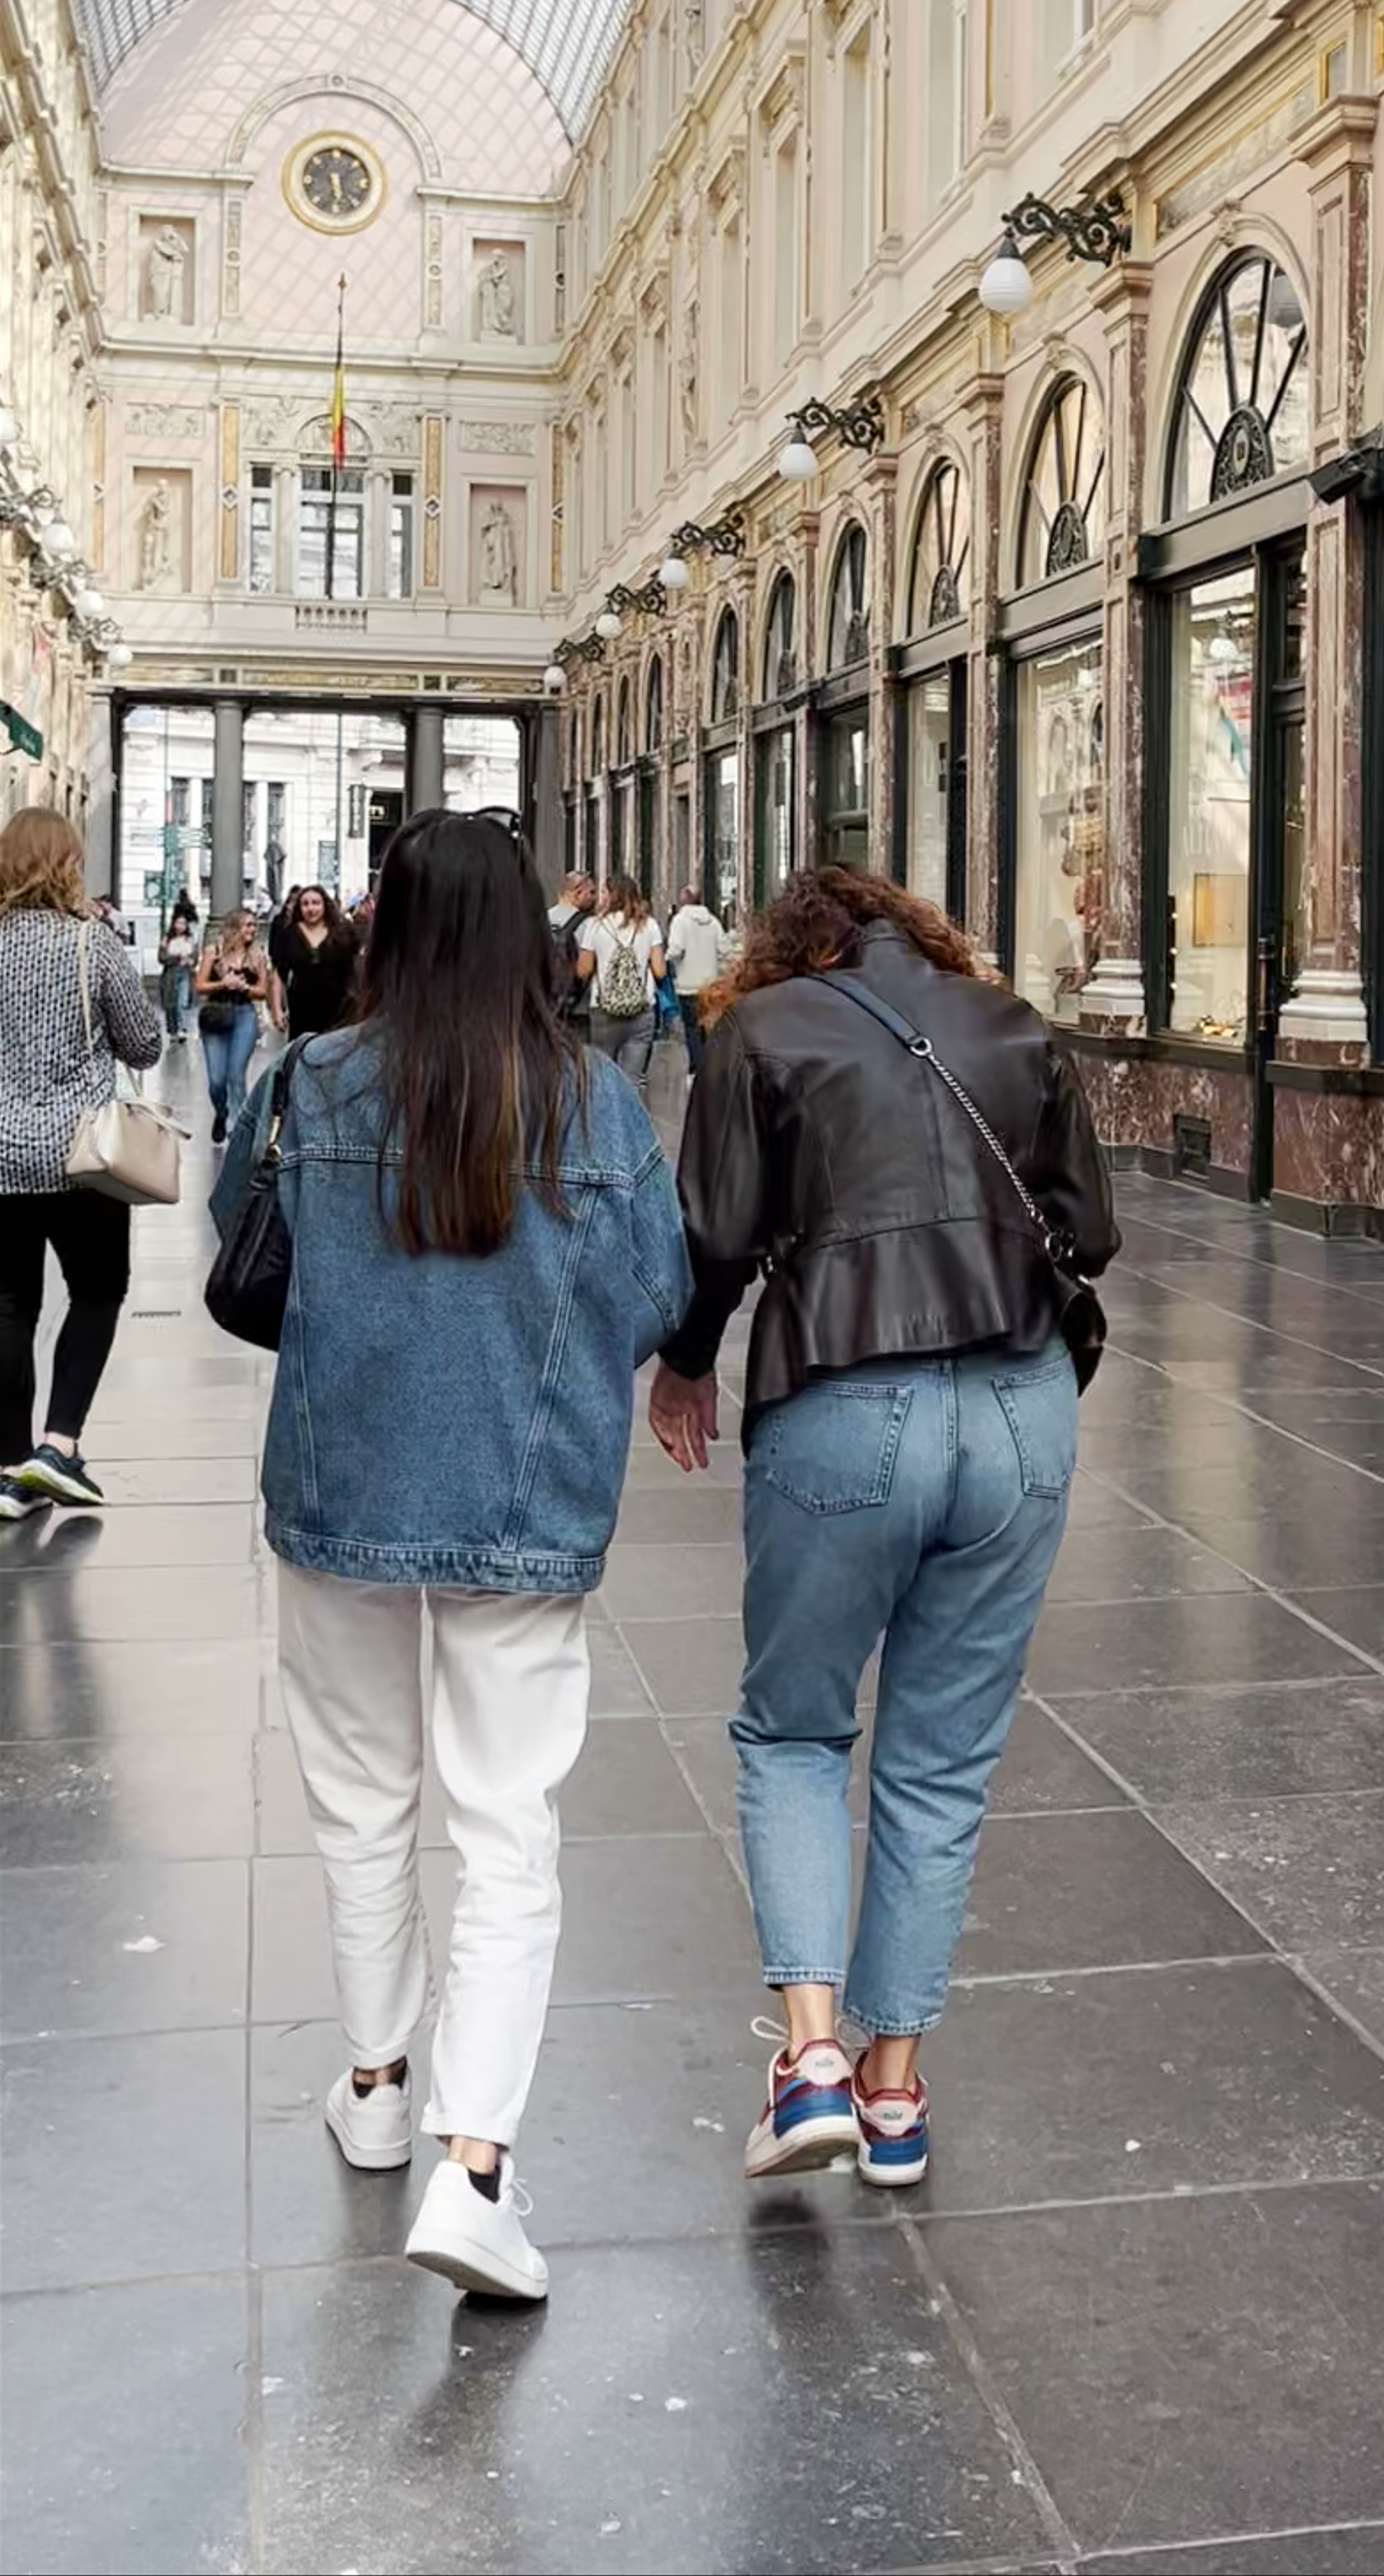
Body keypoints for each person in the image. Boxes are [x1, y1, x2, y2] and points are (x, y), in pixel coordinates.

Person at [212, 809, 690, 2301]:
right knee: (507, 1829)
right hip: (521, 1501)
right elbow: (659, 1286)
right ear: (525, 932)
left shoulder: (311, 1078)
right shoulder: (594, 1101)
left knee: (360, 1802)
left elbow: (241, 1252)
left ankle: (374, 2083)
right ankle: (472, 2166)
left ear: (389, 924)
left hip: (339, 1482)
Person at [648, 864, 1117, 2191]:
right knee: (943, 1760)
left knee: (796, 1730)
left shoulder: (760, 1034)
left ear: (790, 948)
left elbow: (716, 1237)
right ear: (916, 933)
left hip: (847, 1400)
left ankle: (809, 2063)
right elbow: (1093, 1226)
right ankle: (897, 2089)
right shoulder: (1014, 1023)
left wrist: (686, 1363)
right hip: (1024, 1408)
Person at [0, 808, 164, 1516]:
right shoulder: (90, 945)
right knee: (97, 1292)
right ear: (67, 862)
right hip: (84, 1155)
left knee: (8, 1304)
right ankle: (59, 1445)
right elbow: (144, 1044)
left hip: (1, 1153)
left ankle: (9, 1461)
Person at [580, 874, 666, 1091]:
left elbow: (584, 970)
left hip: (603, 1010)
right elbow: (660, 971)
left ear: (611, 896)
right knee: (632, 1082)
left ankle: (604, 1123)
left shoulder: (594, 926)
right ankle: (628, 1122)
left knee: (602, 1077)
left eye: (604, 892)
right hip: (642, 1010)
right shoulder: (650, 925)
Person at [194, 908, 269, 1145]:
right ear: (234, 927)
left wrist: (245, 988)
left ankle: (240, 1131)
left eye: (254, 926)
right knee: (217, 1079)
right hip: (216, 1015)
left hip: (244, 1014)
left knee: (236, 1075)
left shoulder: (257, 956)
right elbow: (200, 986)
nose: (253, 930)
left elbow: (263, 992)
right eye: (248, 925)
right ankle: (222, 1111)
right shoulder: (213, 952)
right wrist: (223, 983)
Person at [269, 885, 361, 1042]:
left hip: (338, 1005)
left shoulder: (342, 932)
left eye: (316, 903)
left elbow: (353, 968)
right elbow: (279, 974)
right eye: (305, 904)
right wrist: (277, 1010)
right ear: (299, 908)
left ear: (325, 905)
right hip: (301, 1005)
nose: (311, 909)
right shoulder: (289, 934)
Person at [666, 880, 727, 1074]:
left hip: (687, 986)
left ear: (683, 902)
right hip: (710, 985)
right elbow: (725, 950)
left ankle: (697, 1067)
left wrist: (665, 960)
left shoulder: (680, 921)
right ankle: (711, 1064)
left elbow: (676, 950)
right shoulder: (714, 921)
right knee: (709, 1029)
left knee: (691, 1029)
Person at [546, 870, 597, 1035]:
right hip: (579, 1005)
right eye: (592, 892)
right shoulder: (589, 924)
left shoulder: (543, 918)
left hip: (547, 1002)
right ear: (578, 893)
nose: (595, 898)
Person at [159, 894, 200, 1039]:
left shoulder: (191, 940)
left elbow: (195, 958)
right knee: (171, 1003)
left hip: (185, 973)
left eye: (184, 924)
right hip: (170, 973)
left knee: (182, 1002)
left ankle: (183, 1028)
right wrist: (177, 958)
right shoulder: (167, 939)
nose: (181, 926)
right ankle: (173, 1030)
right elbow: (162, 958)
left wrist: (190, 961)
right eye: (179, 923)